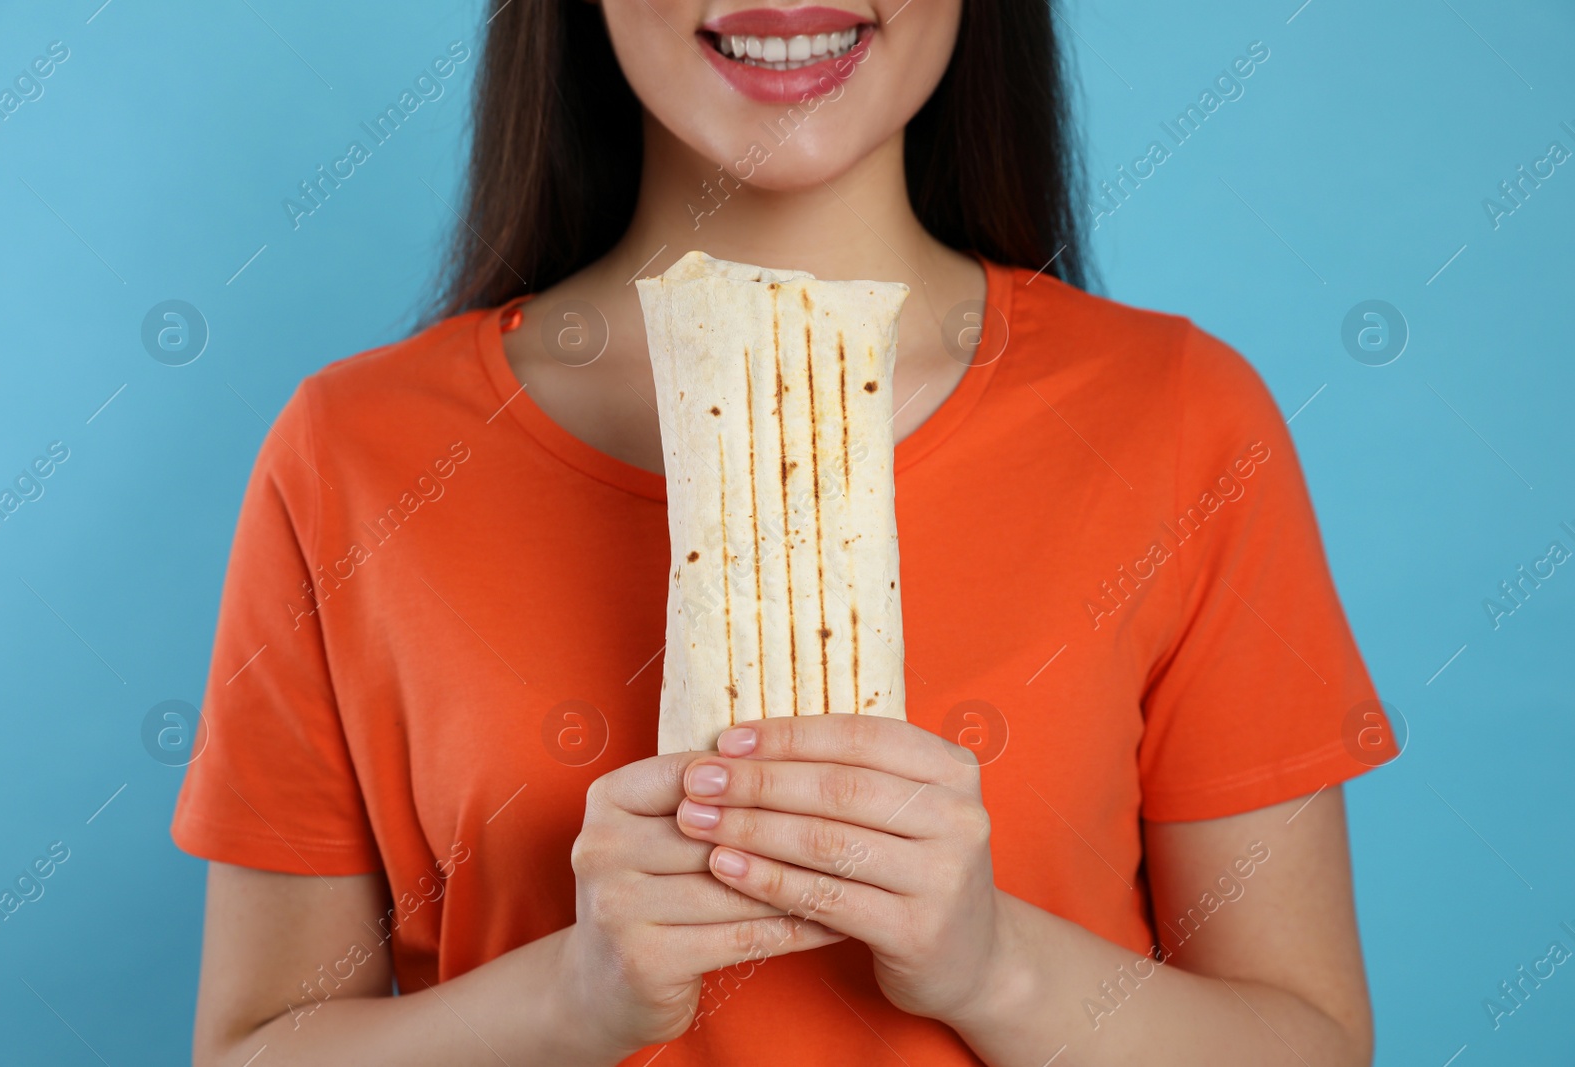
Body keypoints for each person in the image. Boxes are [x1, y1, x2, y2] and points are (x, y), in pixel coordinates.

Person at [173, 1, 1396, 1063]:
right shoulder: (355, 452)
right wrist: (571, 996)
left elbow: (1306, 1042)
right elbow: (254, 1048)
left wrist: (993, 966)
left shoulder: (1175, 420)